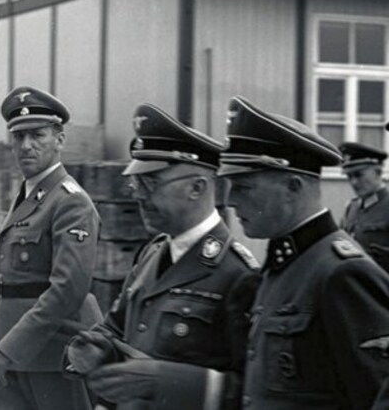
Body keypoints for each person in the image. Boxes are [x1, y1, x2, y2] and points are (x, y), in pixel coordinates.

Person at [64, 103, 260, 410]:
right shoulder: (153, 253)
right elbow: (118, 327)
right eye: (136, 182)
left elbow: (253, 391)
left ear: (197, 188)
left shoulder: (238, 274)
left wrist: (170, 381)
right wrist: (95, 348)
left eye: (151, 183)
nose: (138, 194)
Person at [219, 96, 389, 409]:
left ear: (293, 186)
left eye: (243, 187)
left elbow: (375, 394)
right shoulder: (286, 264)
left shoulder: (342, 273)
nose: (231, 201)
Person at [0, 86, 102, 410]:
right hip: (16, 351)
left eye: (37, 135)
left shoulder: (70, 202)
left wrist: (10, 350)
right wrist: (7, 348)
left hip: (54, 355)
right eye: (18, 137)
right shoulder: (29, 196)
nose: (26, 146)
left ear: (59, 139)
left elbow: (67, 291)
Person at [338, 142, 389, 272]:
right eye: (349, 176)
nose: (353, 182)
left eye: (359, 175)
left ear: (378, 171)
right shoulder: (351, 207)